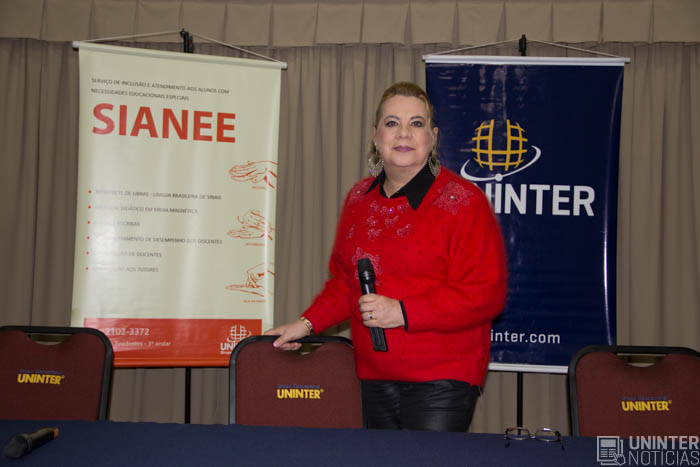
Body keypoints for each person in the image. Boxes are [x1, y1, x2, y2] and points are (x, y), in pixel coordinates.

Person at [265, 81, 507, 432]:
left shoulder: (465, 202)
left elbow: (485, 294)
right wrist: (304, 325)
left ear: (433, 137)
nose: (404, 133)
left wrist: (402, 312)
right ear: (375, 136)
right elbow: (345, 284)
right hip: (373, 376)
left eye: (416, 123)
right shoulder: (358, 199)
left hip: (442, 381)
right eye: (392, 123)